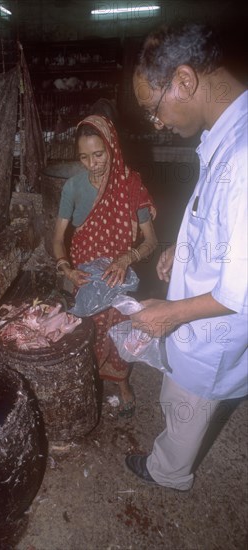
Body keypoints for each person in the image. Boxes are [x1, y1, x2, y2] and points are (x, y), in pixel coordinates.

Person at [125, 22, 247, 490]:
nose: (157, 123)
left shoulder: (243, 157)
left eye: (153, 109)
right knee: (180, 401)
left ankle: (168, 472)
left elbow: (241, 290)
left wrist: (170, 315)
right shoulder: (228, 132)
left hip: (212, 331)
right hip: (200, 315)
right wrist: (185, 245)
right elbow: (228, 223)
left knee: (185, 406)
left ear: (184, 81)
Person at [53, 114, 157, 416]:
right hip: (85, 277)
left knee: (118, 331)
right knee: (84, 334)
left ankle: (122, 384)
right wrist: (66, 269)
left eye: (98, 154)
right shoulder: (73, 187)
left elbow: (151, 240)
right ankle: (88, 386)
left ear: (112, 148)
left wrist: (126, 258)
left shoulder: (131, 184)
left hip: (117, 276)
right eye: (84, 157)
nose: (92, 164)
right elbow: (58, 238)